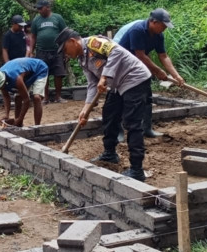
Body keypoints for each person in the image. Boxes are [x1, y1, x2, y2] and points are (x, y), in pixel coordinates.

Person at [56, 27, 152, 182]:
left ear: (72, 41)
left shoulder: (94, 43)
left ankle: (137, 170)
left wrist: (105, 76)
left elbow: (117, 52)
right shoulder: (82, 59)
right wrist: (85, 109)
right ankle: (110, 153)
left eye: (65, 50)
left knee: (132, 123)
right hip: (117, 84)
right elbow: (93, 84)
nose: (66, 54)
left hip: (134, 78)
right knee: (109, 115)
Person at [114, 8, 185, 138]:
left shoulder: (159, 35)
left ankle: (147, 128)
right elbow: (140, 54)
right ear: (153, 22)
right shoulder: (138, 30)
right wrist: (158, 71)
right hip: (122, 66)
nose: (164, 29)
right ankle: (118, 131)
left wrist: (176, 75)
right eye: (163, 25)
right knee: (121, 98)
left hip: (139, 66)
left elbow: (163, 56)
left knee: (146, 97)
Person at [0, 58, 49, 127]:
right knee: (18, 98)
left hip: (39, 69)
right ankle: (18, 124)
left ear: (2, 82)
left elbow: (26, 100)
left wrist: (20, 119)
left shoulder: (16, 79)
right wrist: (7, 115)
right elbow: (6, 97)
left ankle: (37, 127)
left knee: (37, 98)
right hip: (25, 74)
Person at [30, 0, 68, 103]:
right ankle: (45, 97)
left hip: (57, 50)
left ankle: (58, 97)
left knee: (58, 73)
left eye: (41, 8)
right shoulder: (36, 20)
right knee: (43, 74)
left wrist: (66, 50)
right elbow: (33, 36)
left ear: (47, 7)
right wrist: (31, 50)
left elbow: (65, 33)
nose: (39, 11)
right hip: (41, 51)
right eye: (38, 9)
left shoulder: (57, 18)